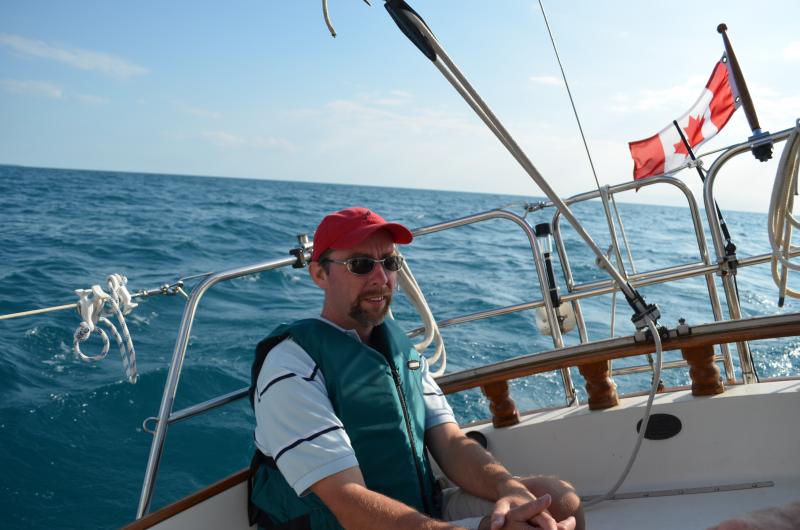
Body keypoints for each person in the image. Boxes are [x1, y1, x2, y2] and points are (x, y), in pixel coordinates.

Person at [249, 207, 583, 530]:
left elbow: (450, 444)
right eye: (361, 264)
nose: (381, 278)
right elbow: (348, 503)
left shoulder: (400, 350)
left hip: (419, 510)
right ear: (320, 273)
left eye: (390, 262)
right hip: (354, 524)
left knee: (558, 501)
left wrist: (507, 489)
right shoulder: (292, 366)